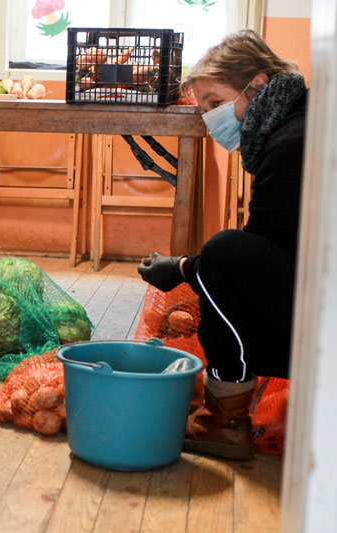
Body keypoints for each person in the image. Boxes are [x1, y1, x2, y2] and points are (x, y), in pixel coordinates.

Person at [137, 30, 307, 460]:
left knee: (223, 254)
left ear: (259, 83)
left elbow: (254, 257)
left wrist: (182, 269)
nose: (211, 118)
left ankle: (225, 420)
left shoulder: (292, 144)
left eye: (215, 103)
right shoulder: (298, 122)